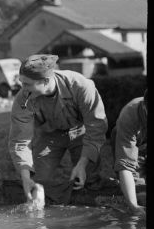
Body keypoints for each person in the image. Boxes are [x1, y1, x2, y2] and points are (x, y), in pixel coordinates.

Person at [9, 54, 108, 205]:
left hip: (81, 132)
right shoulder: (23, 98)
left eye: (27, 84)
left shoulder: (81, 86)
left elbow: (96, 127)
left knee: (88, 179)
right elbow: (20, 140)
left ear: (46, 81)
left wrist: (82, 163)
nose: (23, 89)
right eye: (22, 83)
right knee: (38, 182)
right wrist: (25, 177)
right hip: (49, 135)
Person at [112, 90, 147, 216]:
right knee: (137, 191)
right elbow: (125, 166)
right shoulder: (129, 115)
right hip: (131, 141)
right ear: (144, 107)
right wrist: (134, 206)